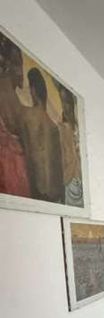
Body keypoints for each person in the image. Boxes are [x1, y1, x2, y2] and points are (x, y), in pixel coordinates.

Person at [21, 67, 64, 203]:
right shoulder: (53, 126)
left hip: (36, 190)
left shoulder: (27, 115)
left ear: (33, 90)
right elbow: (58, 171)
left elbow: (26, 154)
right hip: (52, 194)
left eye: (29, 87)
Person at [0, 32, 30, 197]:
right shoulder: (5, 87)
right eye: (17, 64)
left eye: (20, 64)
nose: (20, 71)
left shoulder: (10, 90)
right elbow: (15, 125)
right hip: (9, 165)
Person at [57, 84, 83, 206]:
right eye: (62, 102)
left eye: (67, 102)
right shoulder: (63, 128)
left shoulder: (78, 128)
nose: (65, 106)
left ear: (72, 103)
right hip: (70, 179)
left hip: (80, 179)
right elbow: (62, 156)